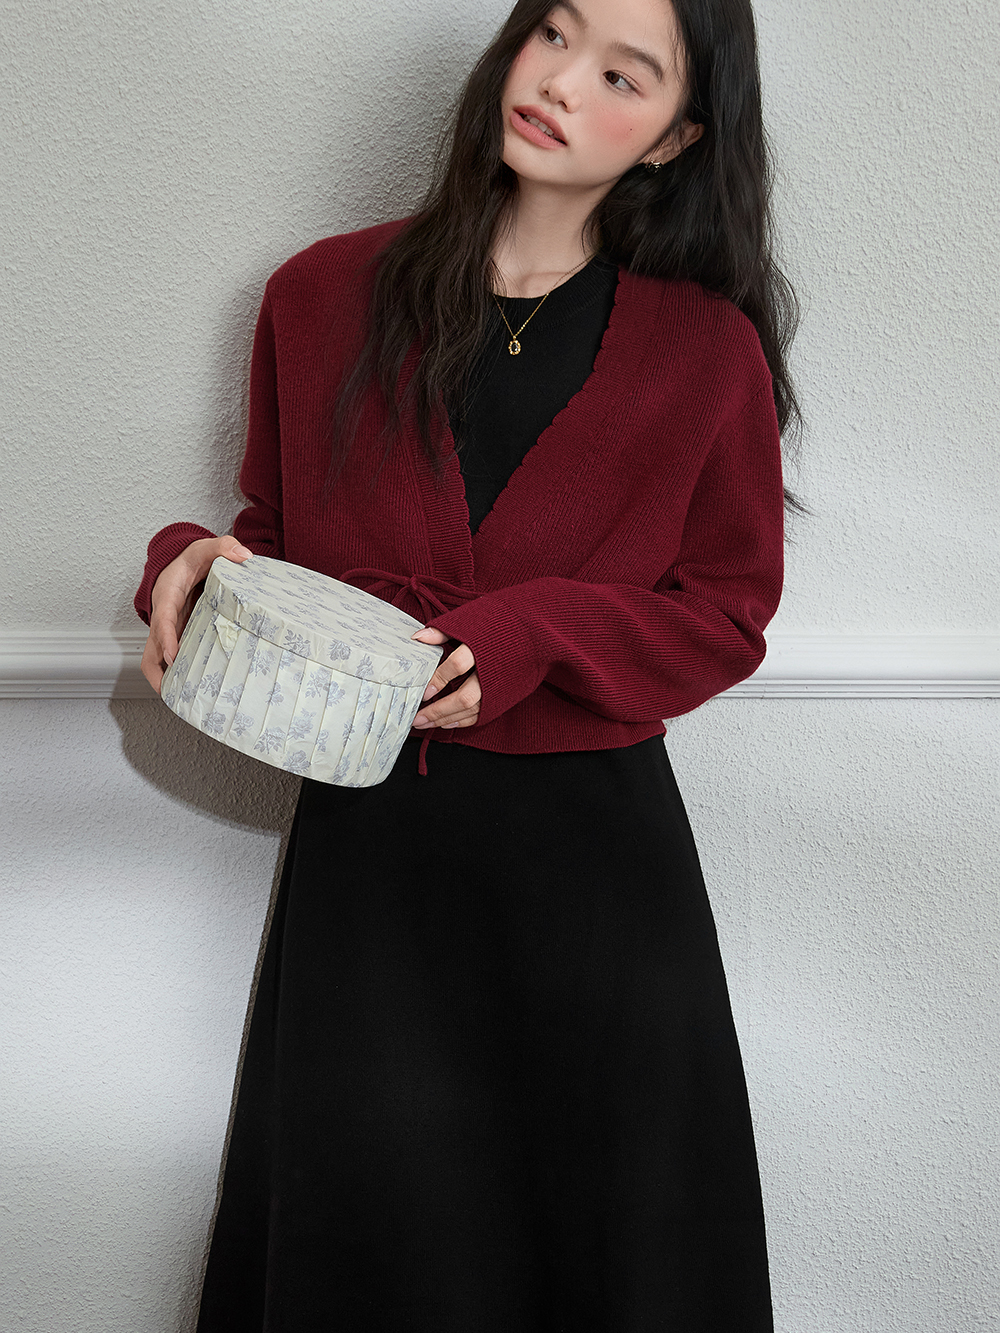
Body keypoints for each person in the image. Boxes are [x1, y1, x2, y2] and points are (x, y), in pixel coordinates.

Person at [136, 0, 797, 1327]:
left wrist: (540, 629)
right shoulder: (319, 297)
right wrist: (187, 561)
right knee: (372, 1255)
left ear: (677, 137)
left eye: (625, 73)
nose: (560, 81)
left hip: (600, 884)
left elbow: (727, 610)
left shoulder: (705, 354)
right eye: (555, 33)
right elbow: (278, 542)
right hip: (373, 873)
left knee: (605, 1258)